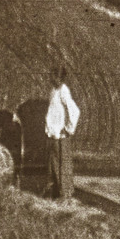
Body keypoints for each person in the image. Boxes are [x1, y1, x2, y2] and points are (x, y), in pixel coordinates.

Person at [43, 62, 81, 201]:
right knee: (53, 165)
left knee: (62, 166)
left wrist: (68, 128)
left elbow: (75, 111)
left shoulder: (64, 91)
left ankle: (66, 195)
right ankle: (55, 193)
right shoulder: (54, 90)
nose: (51, 79)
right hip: (53, 134)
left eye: (53, 77)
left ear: (59, 78)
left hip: (61, 135)